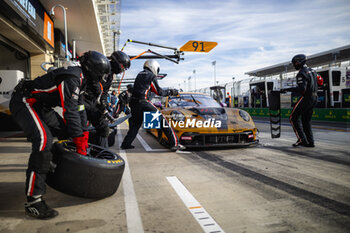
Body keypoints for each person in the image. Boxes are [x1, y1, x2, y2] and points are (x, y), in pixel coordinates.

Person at [9, 51, 111, 219]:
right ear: (94, 70)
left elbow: (80, 110)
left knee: (64, 132)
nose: (102, 77)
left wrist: (82, 137)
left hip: (42, 106)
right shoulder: (72, 78)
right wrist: (79, 142)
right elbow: (70, 111)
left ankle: (52, 167)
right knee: (43, 141)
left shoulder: (81, 80)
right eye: (101, 74)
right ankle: (34, 200)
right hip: (25, 101)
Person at [121, 59, 183, 151]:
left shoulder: (139, 74)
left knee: (135, 125)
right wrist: (171, 92)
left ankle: (126, 144)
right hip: (143, 103)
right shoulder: (151, 75)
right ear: (153, 66)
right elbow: (159, 91)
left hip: (134, 104)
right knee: (162, 121)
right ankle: (174, 143)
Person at [83, 50, 130, 147]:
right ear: (117, 63)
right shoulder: (102, 68)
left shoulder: (110, 75)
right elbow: (93, 84)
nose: (122, 70)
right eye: (123, 67)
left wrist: (103, 104)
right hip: (84, 99)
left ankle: (102, 152)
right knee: (84, 127)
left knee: (103, 127)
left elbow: (104, 92)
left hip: (92, 101)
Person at [281, 54, 318, 147]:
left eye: (295, 63)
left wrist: (287, 89)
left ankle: (302, 139)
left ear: (299, 62)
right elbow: (320, 82)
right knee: (306, 121)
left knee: (293, 117)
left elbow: (302, 89)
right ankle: (310, 141)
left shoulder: (301, 73)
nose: (294, 65)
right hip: (314, 97)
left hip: (307, 97)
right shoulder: (313, 71)